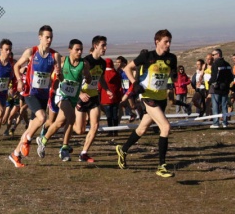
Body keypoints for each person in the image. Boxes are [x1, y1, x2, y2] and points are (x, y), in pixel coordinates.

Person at [116, 29, 178, 178]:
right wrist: (134, 83)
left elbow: (172, 75)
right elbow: (127, 68)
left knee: (142, 129)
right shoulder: (147, 56)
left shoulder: (172, 58)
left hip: (161, 98)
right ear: (157, 42)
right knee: (165, 126)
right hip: (148, 96)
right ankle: (161, 166)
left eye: (170, 41)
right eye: (165, 42)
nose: (168, 44)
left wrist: (174, 77)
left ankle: (122, 149)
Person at [8, 25, 61, 168]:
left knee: (31, 127)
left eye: (51, 37)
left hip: (44, 95)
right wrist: (19, 80)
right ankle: (28, 140)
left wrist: (58, 73)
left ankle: (15, 155)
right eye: (47, 37)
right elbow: (16, 67)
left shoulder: (55, 56)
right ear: (40, 37)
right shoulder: (32, 52)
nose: (49, 40)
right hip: (30, 93)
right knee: (42, 118)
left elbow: (58, 77)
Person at [35, 39, 91, 162]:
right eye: (77, 49)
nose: (80, 52)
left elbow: (89, 79)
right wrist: (56, 74)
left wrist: (87, 77)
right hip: (62, 95)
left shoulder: (84, 64)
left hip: (74, 97)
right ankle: (64, 148)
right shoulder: (62, 60)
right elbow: (57, 75)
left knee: (59, 122)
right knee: (71, 118)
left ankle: (43, 141)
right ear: (70, 50)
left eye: (81, 49)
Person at [70, 35, 108, 162]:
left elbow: (101, 78)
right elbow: (74, 79)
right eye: (103, 45)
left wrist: (107, 89)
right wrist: (80, 93)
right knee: (80, 130)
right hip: (81, 97)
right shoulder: (85, 61)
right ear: (95, 46)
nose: (105, 48)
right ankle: (67, 124)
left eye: (105, 45)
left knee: (95, 125)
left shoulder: (103, 63)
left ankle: (84, 153)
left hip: (94, 97)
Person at [209, 49, 233, 129]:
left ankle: (216, 123)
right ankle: (225, 122)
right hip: (225, 88)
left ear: (218, 54)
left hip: (217, 88)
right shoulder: (227, 64)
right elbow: (231, 77)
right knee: (224, 106)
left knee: (215, 106)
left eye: (213, 55)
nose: (212, 57)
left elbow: (214, 77)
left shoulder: (215, 64)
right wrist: (227, 84)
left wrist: (210, 82)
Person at [100, 58, 122, 138]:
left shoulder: (103, 74)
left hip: (106, 97)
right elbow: (119, 84)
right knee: (115, 115)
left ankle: (110, 131)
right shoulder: (116, 73)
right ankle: (115, 131)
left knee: (108, 116)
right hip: (115, 97)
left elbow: (100, 85)